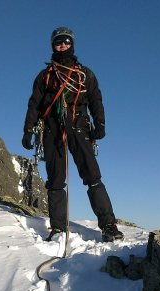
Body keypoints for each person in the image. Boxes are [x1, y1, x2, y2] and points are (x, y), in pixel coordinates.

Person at [22, 27, 123, 242]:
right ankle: (58, 229)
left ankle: (109, 225)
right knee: (56, 179)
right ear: (53, 45)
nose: (62, 45)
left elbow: (96, 100)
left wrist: (100, 124)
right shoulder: (45, 76)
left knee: (92, 175)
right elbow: (34, 104)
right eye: (58, 42)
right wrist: (28, 130)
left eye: (66, 41)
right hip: (51, 128)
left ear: (72, 44)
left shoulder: (85, 74)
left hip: (78, 125)